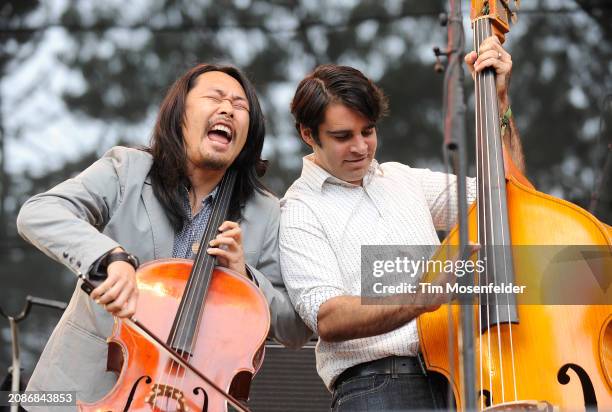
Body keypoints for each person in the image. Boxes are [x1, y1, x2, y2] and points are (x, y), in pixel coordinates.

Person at [16, 63, 312, 409]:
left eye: (240, 105)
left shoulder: (266, 211)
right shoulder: (126, 169)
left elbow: (294, 327)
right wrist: (110, 258)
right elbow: (39, 212)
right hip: (76, 394)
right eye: (214, 97)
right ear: (180, 113)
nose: (228, 109)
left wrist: (244, 275)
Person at [279, 36, 525, 410]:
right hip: (378, 387)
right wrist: (424, 297)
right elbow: (326, 317)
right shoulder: (298, 208)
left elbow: (508, 199)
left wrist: (500, 102)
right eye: (343, 136)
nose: (361, 147)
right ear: (307, 134)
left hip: (459, 378)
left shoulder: (402, 178)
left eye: (368, 131)